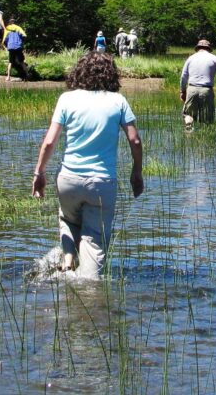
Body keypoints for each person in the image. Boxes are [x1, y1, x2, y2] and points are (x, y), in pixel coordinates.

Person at [32, 53, 144, 276]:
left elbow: (49, 142)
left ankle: (67, 263)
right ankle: (89, 288)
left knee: (68, 220)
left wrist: (39, 173)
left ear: (79, 73)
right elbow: (135, 141)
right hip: (101, 182)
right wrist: (137, 172)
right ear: (111, 75)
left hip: (68, 179)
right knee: (94, 241)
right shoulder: (118, 101)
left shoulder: (67, 99)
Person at [179, 39, 216, 128]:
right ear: (209, 48)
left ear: (197, 48)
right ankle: (204, 134)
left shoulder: (191, 58)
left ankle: (189, 129)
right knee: (206, 119)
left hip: (191, 89)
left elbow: (183, 76)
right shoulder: (213, 58)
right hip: (206, 90)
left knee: (189, 114)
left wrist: (182, 91)